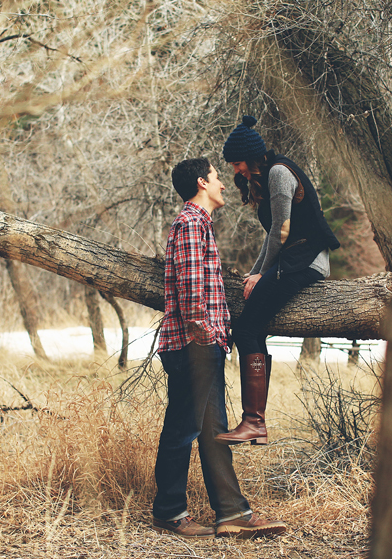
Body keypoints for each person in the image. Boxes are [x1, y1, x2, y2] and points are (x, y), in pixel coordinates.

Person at [151, 157, 287, 539]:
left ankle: (231, 513)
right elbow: (192, 292)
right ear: (201, 182)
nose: (223, 184)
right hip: (192, 346)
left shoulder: (197, 224)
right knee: (182, 428)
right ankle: (169, 512)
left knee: (211, 430)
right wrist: (205, 336)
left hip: (197, 344)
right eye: (216, 177)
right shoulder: (192, 223)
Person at [215, 116, 340, 446]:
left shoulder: (279, 173)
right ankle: (256, 423)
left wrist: (261, 273)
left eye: (238, 163)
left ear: (251, 157)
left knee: (244, 329)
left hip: (306, 261)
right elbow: (275, 235)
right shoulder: (269, 174)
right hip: (293, 259)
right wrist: (256, 273)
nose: (236, 171)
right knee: (254, 329)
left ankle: (253, 422)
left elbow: (281, 230)